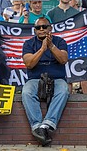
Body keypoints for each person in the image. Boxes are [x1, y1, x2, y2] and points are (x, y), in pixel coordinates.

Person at [22, 17, 69, 146]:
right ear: (35, 30)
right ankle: (37, 126)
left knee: (64, 90)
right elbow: (29, 64)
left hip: (56, 78)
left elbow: (63, 60)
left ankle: (47, 124)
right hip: (35, 78)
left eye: (44, 27)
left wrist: (51, 46)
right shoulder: (28, 44)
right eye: (38, 28)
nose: (41, 29)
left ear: (50, 28)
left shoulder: (60, 42)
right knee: (26, 92)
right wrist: (42, 49)